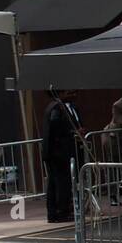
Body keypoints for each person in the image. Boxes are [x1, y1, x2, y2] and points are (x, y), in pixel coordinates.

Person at [42, 87, 82, 222]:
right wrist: (72, 133)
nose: (73, 95)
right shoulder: (56, 108)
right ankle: (60, 212)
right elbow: (55, 127)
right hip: (58, 153)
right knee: (60, 183)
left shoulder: (62, 107)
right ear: (61, 93)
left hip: (58, 151)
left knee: (56, 183)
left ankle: (56, 212)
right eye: (69, 92)